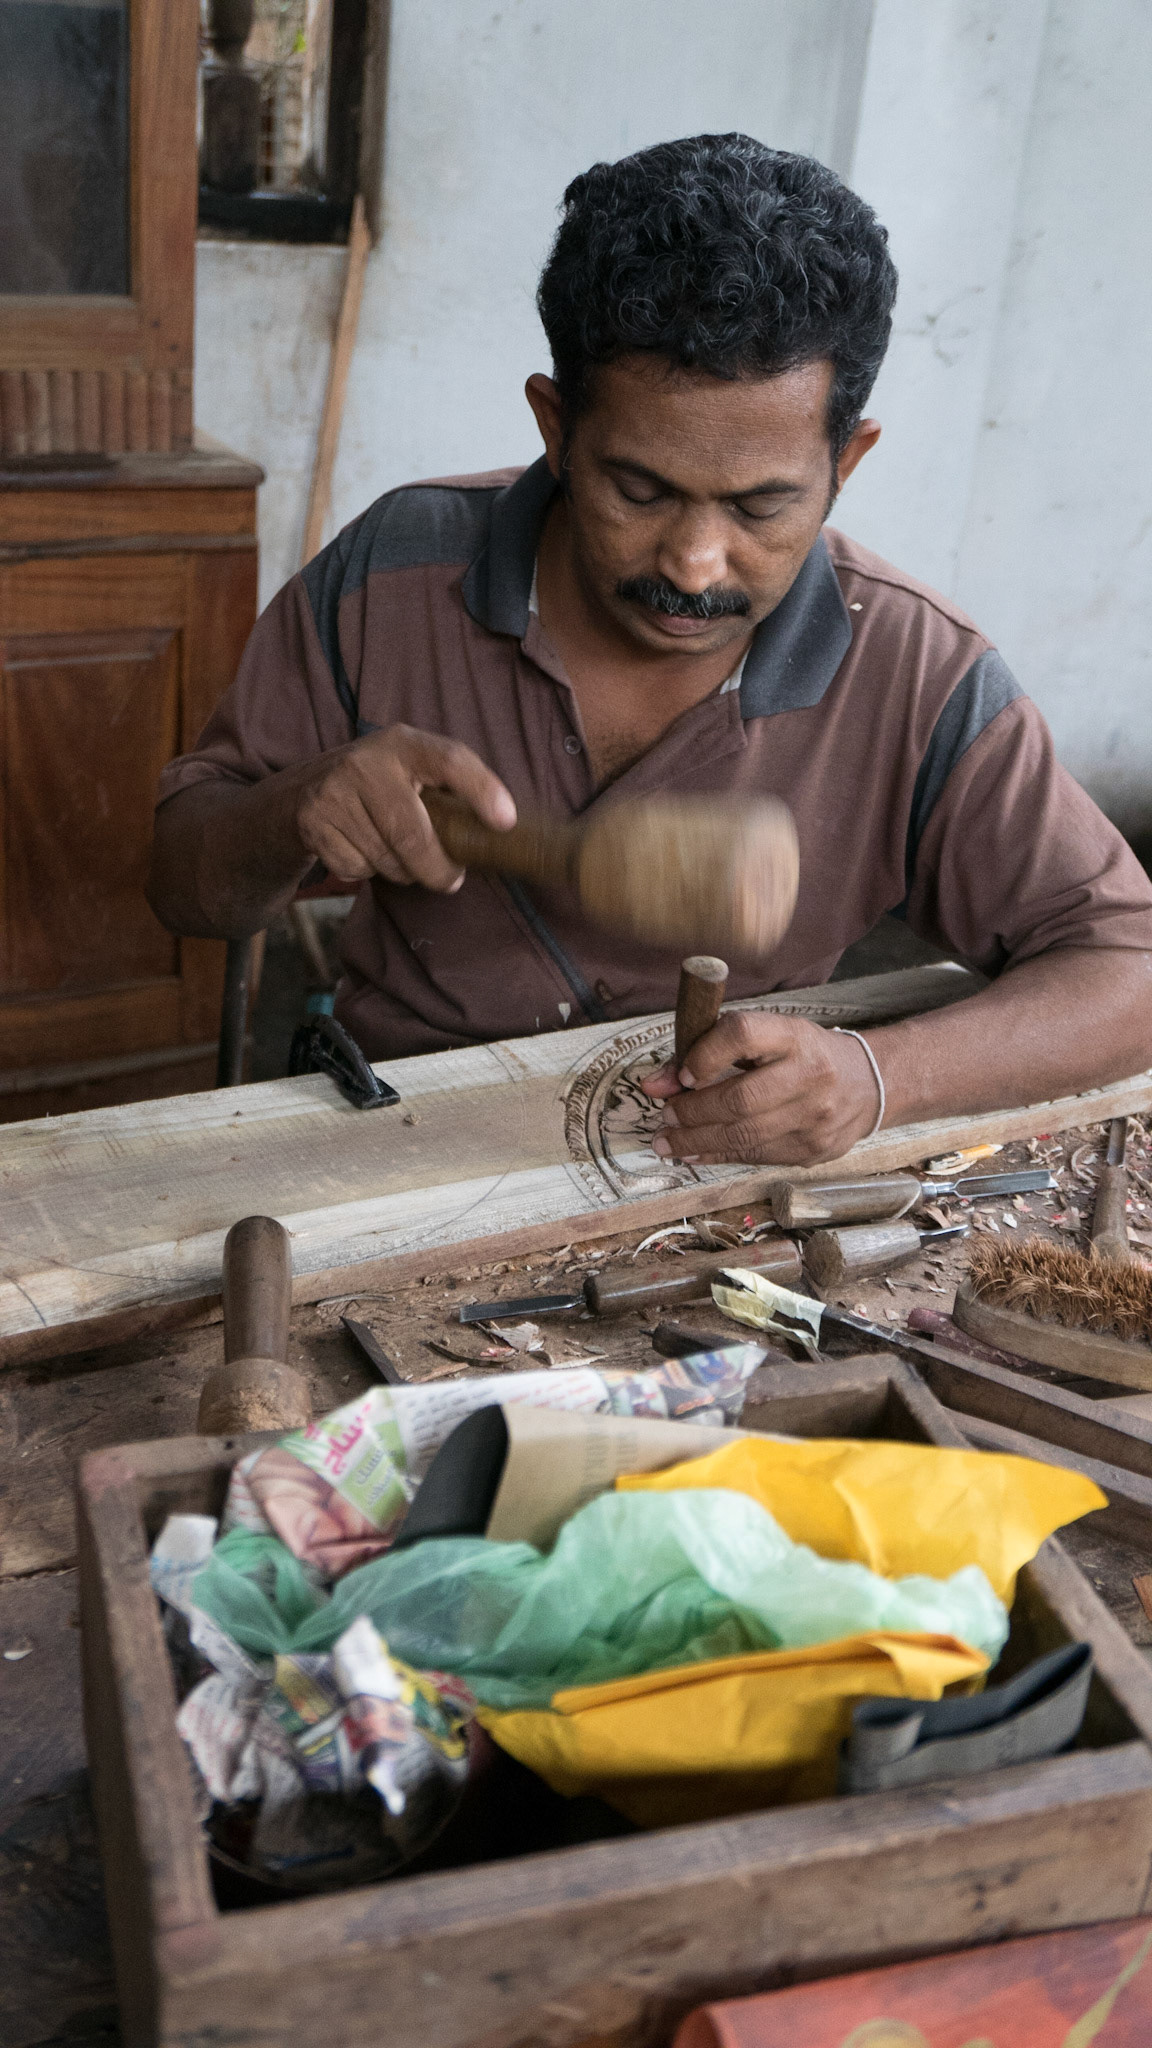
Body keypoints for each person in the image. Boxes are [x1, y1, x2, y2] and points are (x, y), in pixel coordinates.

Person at [148, 134, 1152, 1166]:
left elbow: (1129, 966)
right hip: (396, 1137)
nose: (697, 560)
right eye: (640, 488)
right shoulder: (393, 575)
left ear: (847, 461)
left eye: (764, 504)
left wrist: (880, 1077)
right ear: (556, 427)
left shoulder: (916, 670)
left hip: (716, 1178)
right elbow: (184, 884)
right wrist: (295, 807)